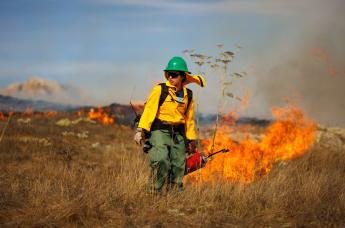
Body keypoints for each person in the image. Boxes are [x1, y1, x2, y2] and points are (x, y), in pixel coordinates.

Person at [134, 56, 205, 193]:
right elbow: (149, 110)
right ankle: (153, 193)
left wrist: (191, 140)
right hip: (160, 131)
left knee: (179, 165)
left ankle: (174, 197)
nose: (170, 77)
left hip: (178, 133)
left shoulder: (188, 95)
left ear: (183, 77)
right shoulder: (160, 90)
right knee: (161, 160)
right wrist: (140, 130)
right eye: (168, 74)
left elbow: (189, 119)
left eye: (174, 75)